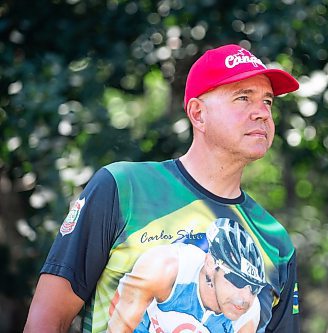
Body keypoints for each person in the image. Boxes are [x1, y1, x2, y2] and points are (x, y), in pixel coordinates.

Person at [24, 43, 300, 333]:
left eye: (267, 101)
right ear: (198, 114)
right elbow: (46, 321)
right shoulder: (122, 188)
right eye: (243, 98)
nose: (262, 113)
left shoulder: (276, 242)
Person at [108, 218, 266, 333]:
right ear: (211, 263)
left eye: (254, 288)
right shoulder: (166, 268)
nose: (245, 297)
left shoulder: (249, 313)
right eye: (237, 280)